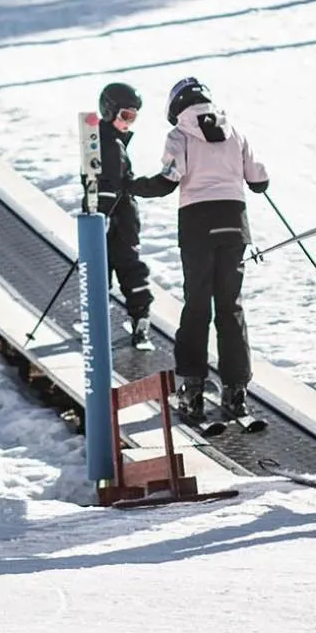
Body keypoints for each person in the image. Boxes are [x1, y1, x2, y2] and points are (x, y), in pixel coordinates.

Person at [132, 76, 270, 423]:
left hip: (197, 226)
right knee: (230, 307)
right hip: (234, 224)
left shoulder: (179, 134)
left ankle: (192, 391)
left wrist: (130, 186)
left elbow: (168, 181)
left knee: (197, 306)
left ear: (176, 106)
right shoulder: (234, 131)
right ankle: (236, 392)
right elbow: (259, 180)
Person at [92, 81, 154, 349]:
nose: (130, 122)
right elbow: (105, 182)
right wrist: (102, 213)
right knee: (114, 264)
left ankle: (138, 318)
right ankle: (126, 316)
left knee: (120, 264)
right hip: (114, 214)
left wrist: (102, 214)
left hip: (119, 216)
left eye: (134, 117)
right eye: (126, 115)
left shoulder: (108, 140)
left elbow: (112, 183)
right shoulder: (107, 142)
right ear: (109, 111)